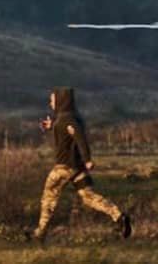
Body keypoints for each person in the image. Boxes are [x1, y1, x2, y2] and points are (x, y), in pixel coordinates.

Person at [30, 87, 131, 242]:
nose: (50, 103)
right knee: (88, 197)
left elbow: (80, 138)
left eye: (52, 99)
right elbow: (67, 131)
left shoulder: (67, 120)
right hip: (77, 167)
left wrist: (88, 159)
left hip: (64, 167)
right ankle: (119, 217)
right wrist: (52, 126)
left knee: (48, 197)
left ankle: (40, 233)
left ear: (61, 100)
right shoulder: (68, 118)